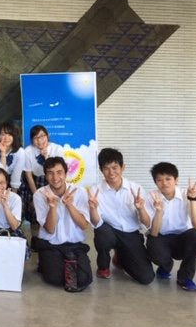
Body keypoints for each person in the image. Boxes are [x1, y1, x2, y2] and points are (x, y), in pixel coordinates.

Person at [87, 148, 154, 284]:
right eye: (106, 169)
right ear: (101, 170)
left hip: (131, 234)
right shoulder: (95, 190)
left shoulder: (136, 189)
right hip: (109, 232)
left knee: (146, 278)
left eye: (114, 168)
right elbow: (97, 223)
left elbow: (147, 224)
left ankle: (120, 257)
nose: (111, 173)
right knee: (102, 232)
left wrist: (141, 209)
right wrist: (93, 209)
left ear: (123, 167)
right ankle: (103, 266)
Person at [145, 162, 196, 292]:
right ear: (155, 182)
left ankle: (185, 277)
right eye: (159, 180)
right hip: (162, 237)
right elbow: (154, 232)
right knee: (152, 242)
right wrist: (159, 211)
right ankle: (165, 267)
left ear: (176, 180)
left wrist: (192, 199)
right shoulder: (151, 197)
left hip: (183, 239)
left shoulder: (187, 194)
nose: (164, 183)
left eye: (168, 179)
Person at [33, 157, 92, 292]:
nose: (55, 177)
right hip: (51, 244)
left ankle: (70, 261)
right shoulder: (40, 194)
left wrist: (70, 205)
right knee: (56, 278)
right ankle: (45, 263)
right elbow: (50, 229)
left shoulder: (79, 192)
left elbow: (84, 225)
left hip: (74, 245)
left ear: (66, 174)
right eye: (50, 173)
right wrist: (52, 207)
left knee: (83, 279)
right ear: (46, 176)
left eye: (59, 172)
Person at [20, 125, 65, 251]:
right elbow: (28, 175)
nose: (39, 141)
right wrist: (36, 196)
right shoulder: (28, 151)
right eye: (35, 138)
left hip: (53, 181)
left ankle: (55, 237)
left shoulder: (57, 149)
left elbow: (56, 172)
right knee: (34, 213)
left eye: (42, 136)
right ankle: (35, 239)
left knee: (54, 210)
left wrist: (46, 157)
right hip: (34, 183)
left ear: (47, 136)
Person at [0, 122, 26, 193]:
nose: (6, 138)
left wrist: (13, 195)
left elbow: (16, 175)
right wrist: (3, 153)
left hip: (16, 183)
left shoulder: (20, 152)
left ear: (14, 136)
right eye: (3, 134)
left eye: (10, 135)